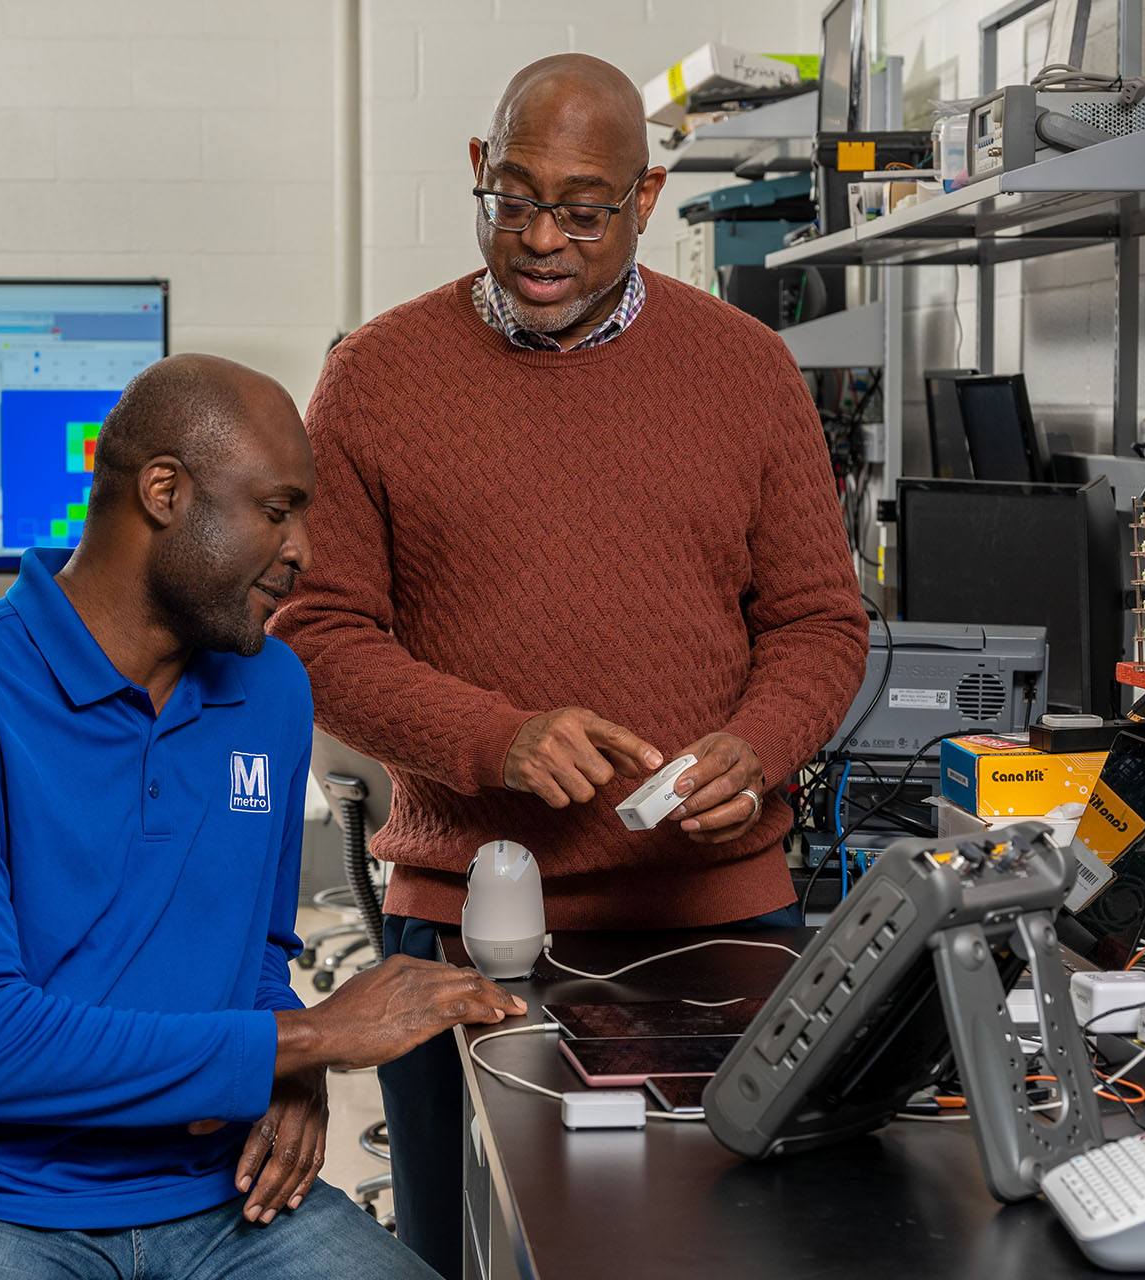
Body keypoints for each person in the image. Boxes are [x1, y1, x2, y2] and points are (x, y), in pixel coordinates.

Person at [268, 55, 868, 1276]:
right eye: (515, 199)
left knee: (733, 1243)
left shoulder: (748, 370)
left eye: (585, 210)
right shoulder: (377, 377)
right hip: (473, 937)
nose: (541, 239)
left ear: (647, 201)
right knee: (470, 1244)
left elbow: (819, 623)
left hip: (721, 912)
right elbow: (317, 632)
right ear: (481, 174)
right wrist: (498, 737)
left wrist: (758, 746)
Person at [0, 354, 526, 1280]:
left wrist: (282, 1062)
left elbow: (253, 953)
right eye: (278, 509)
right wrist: (305, 1040)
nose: (305, 553)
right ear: (165, 492)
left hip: (211, 1193)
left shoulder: (269, 689)